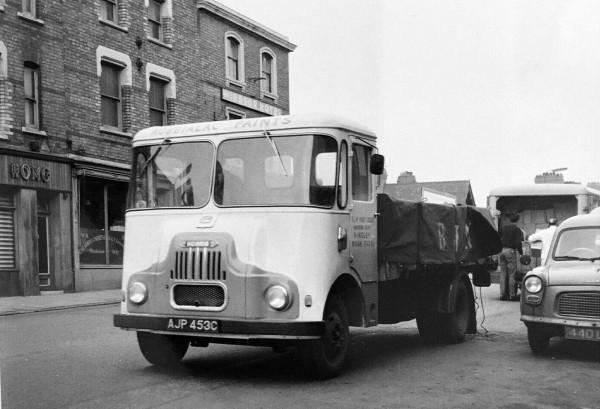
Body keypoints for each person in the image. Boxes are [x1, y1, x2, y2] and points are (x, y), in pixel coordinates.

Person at [499, 213, 524, 301]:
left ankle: (502, 295)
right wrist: (521, 252)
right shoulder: (517, 230)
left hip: (501, 251)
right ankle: (512, 295)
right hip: (510, 251)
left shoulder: (503, 228)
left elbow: (498, 238)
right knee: (512, 274)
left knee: (503, 273)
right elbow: (519, 242)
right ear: (517, 220)